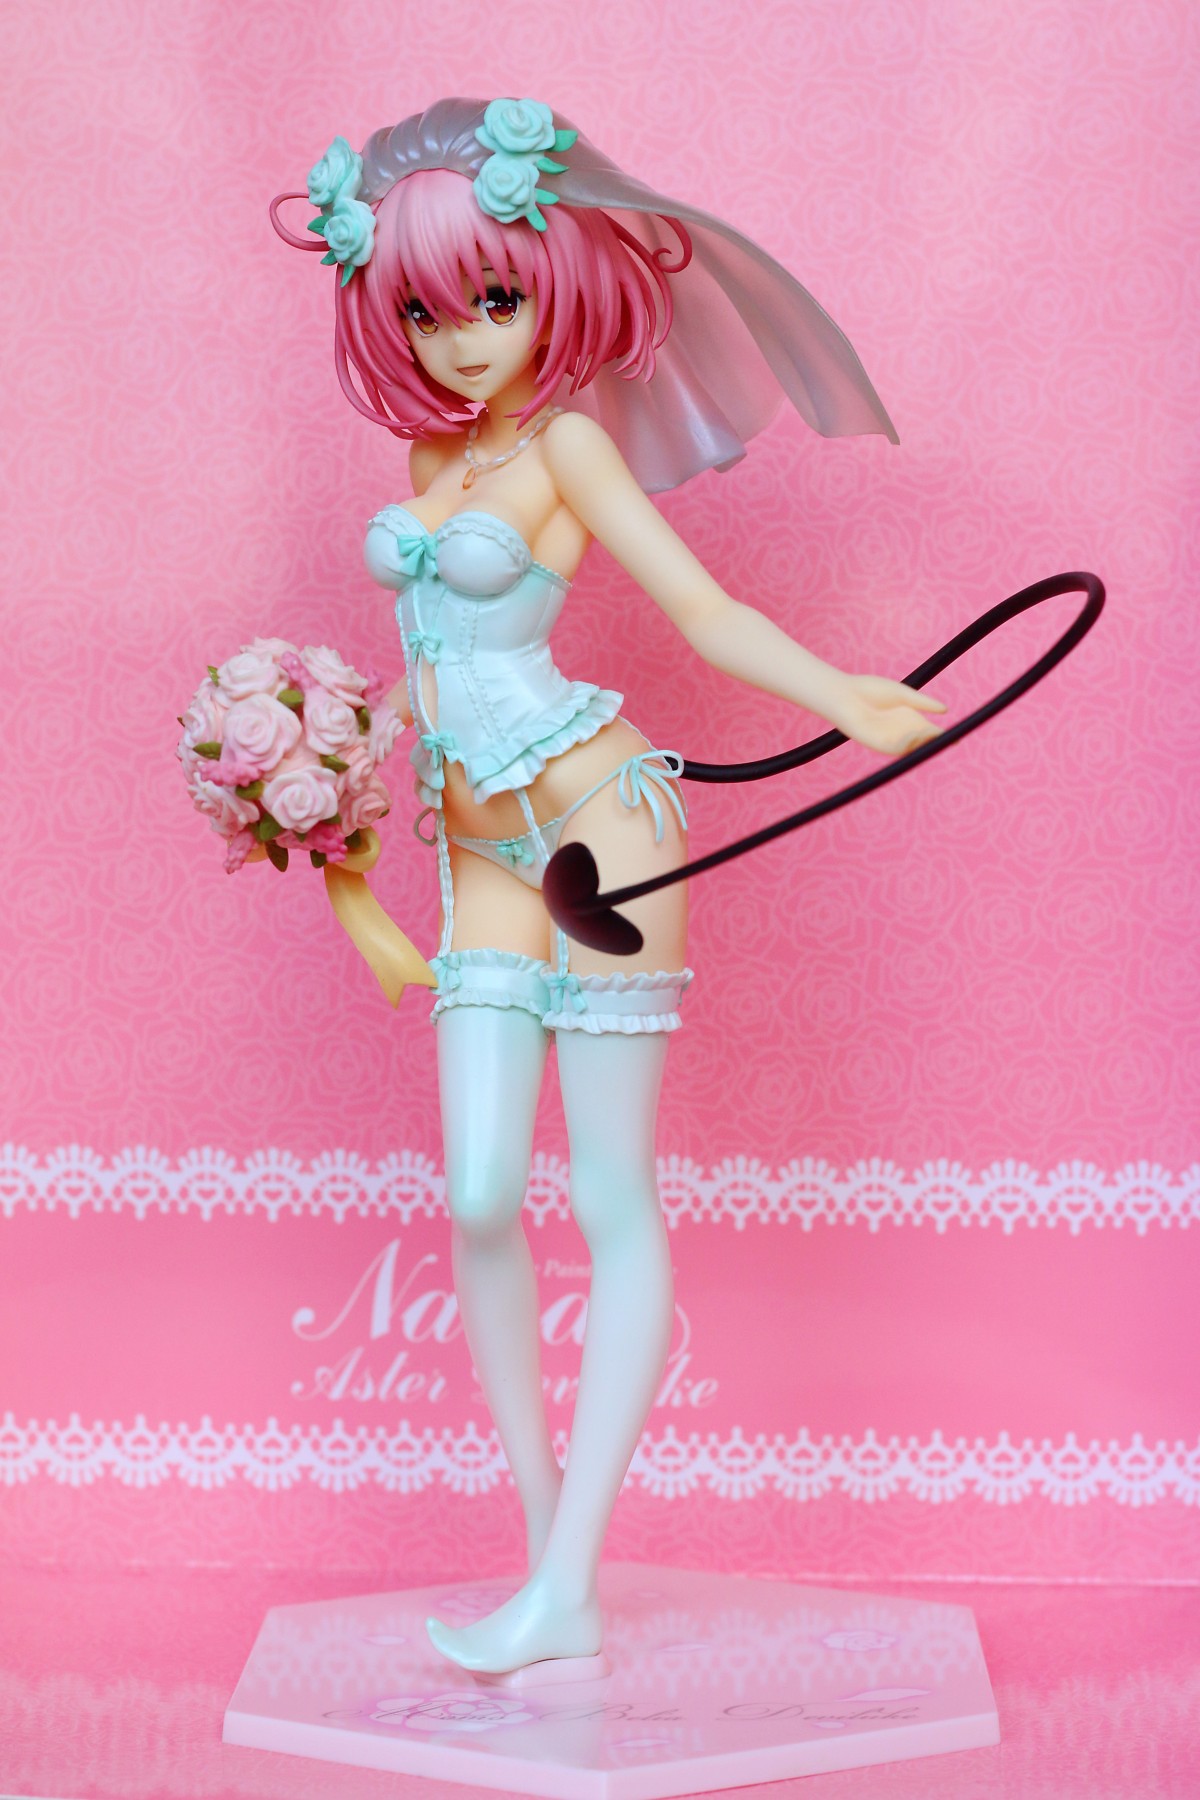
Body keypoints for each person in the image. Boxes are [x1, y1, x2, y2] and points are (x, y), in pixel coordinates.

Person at [271, 96, 946, 1676]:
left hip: (597, 820)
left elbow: (700, 613)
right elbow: (422, 683)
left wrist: (844, 696)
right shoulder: (433, 453)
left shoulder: (568, 442)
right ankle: (546, 1563)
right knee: (479, 1194)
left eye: (493, 299)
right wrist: (346, 853)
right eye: (423, 311)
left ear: (553, 283)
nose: (460, 340)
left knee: (612, 1196)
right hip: (473, 852)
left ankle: (566, 1578)